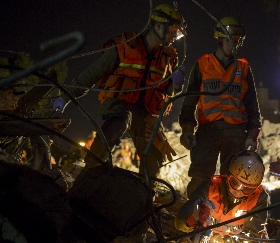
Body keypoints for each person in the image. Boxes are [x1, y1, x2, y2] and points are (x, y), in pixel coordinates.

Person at [52, 4, 186, 182]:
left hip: (145, 113)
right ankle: (90, 172)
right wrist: (64, 98)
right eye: (173, 31)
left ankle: (144, 193)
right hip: (119, 105)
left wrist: (177, 85)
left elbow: (168, 91)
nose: (174, 37)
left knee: (155, 149)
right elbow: (91, 75)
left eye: (178, 34)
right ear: (159, 26)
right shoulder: (124, 47)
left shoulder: (169, 58)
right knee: (119, 123)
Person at [178, 16, 261, 197]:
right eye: (230, 40)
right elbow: (189, 101)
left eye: (238, 42)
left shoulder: (244, 68)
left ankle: (224, 220)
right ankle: (194, 219)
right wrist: (187, 129)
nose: (234, 45)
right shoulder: (203, 64)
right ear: (220, 38)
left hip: (236, 132)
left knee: (231, 179)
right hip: (208, 129)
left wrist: (252, 136)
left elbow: (252, 106)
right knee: (200, 176)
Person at [174, 150, 268, 238]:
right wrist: (190, 221)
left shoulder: (258, 198)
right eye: (235, 183)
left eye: (247, 189)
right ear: (227, 176)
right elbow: (179, 223)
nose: (239, 192)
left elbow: (253, 236)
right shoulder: (210, 188)